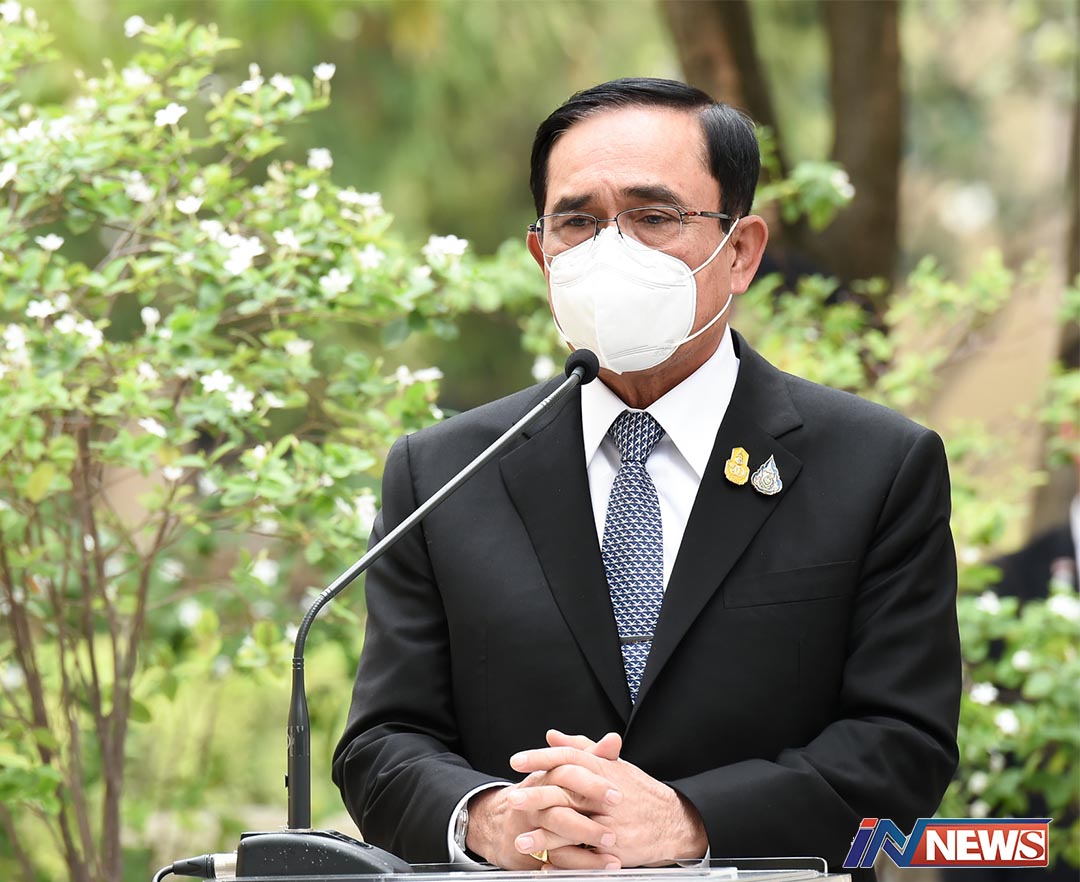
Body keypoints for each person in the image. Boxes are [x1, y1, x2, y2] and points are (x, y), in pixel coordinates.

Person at [332, 78, 961, 876]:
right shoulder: (445, 472)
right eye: (578, 222)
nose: (610, 252)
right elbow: (383, 741)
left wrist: (691, 822)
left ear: (741, 252)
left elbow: (904, 744)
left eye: (653, 217)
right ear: (542, 255)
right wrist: (493, 819)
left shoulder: (876, 466)